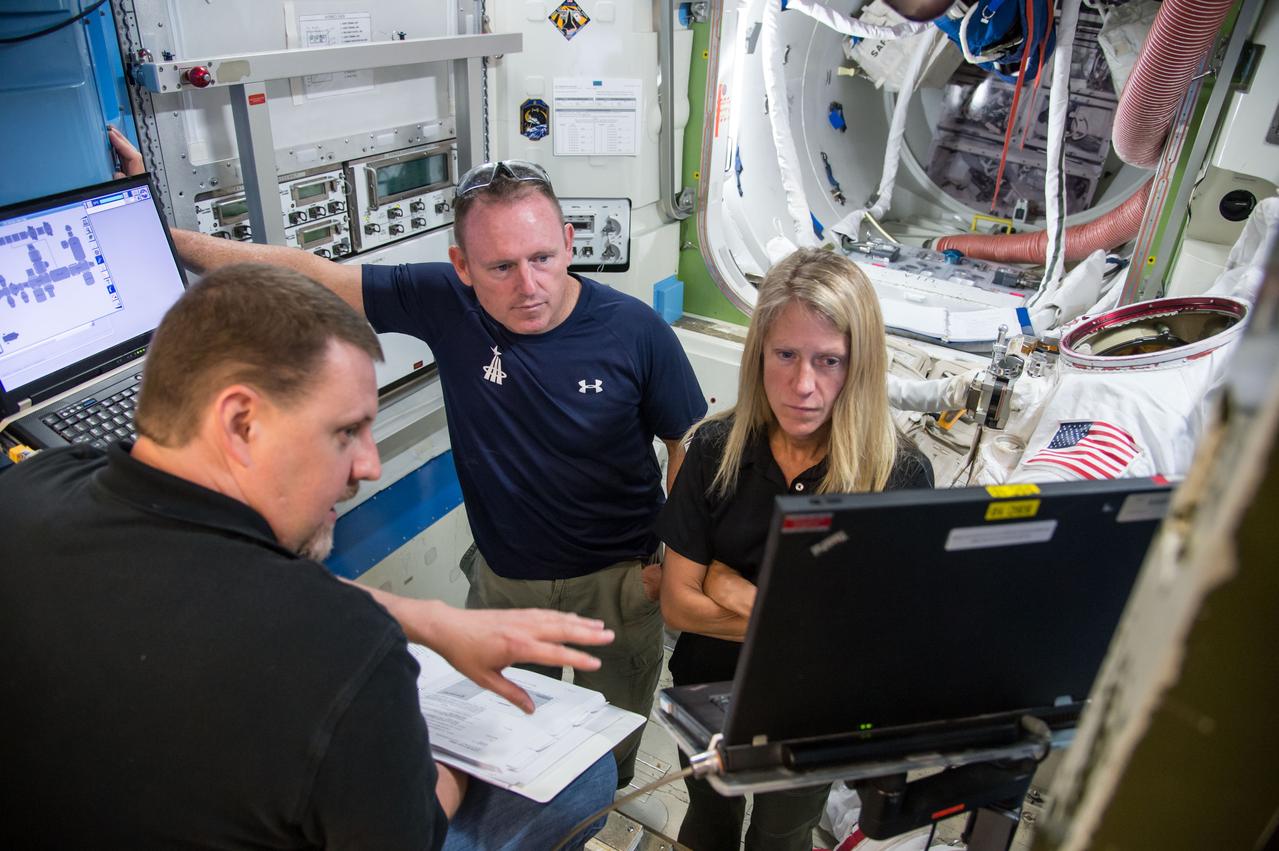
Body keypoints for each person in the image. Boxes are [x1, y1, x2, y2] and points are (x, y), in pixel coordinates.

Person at [109, 127, 708, 785]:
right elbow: (303, 275)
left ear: (569, 242)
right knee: (509, 739)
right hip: (506, 581)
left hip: (619, 579)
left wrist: (667, 569)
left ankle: (608, 801)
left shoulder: (634, 331)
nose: (528, 284)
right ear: (462, 266)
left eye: (542, 256)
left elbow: (689, 441)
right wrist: (158, 234)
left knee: (610, 738)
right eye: (499, 267)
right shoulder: (446, 301)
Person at [0, 264, 617, 849]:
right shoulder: (342, 653)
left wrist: (426, 619)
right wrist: (458, 765)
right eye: (346, 432)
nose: (369, 466)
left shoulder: (33, 486)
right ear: (241, 423)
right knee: (585, 780)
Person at [657, 248, 935, 851]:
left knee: (782, 835)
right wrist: (805, 625)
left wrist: (729, 587)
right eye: (785, 354)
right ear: (759, 352)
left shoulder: (898, 476)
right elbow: (677, 606)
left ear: (859, 366)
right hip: (707, 691)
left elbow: (871, 640)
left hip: (815, 712)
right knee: (707, 824)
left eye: (828, 361)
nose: (803, 385)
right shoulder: (715, 450)